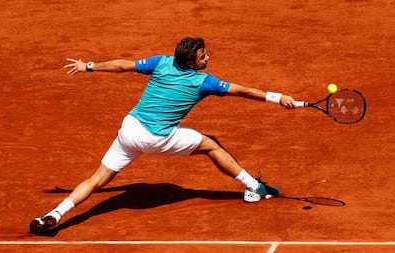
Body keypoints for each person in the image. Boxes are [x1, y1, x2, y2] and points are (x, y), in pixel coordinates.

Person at [29, 37, 297, 235]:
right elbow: (243, 91)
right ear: (192, 63)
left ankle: (53, 215)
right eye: (204, 56)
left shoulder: (161, 62)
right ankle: (253, 186)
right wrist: (278, 97)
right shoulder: (204, 82)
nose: (208, 58)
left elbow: (124, 65)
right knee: (211, 144)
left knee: (97, 178)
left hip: (129, 130)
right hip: (157, 138)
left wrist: (88, 66)